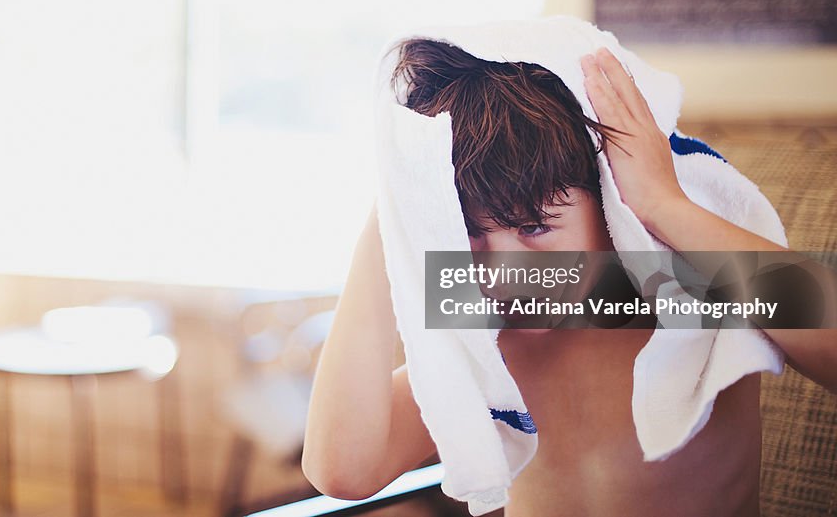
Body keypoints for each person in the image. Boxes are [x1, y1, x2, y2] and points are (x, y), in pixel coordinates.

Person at [301, 41, 837, 517]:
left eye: (534, 226)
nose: (503, 274)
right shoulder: (483, 332)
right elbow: (344, 471)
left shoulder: (686, 292)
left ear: (610, 201)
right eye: (470, 235)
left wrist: (661, 202)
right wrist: (395, 212)